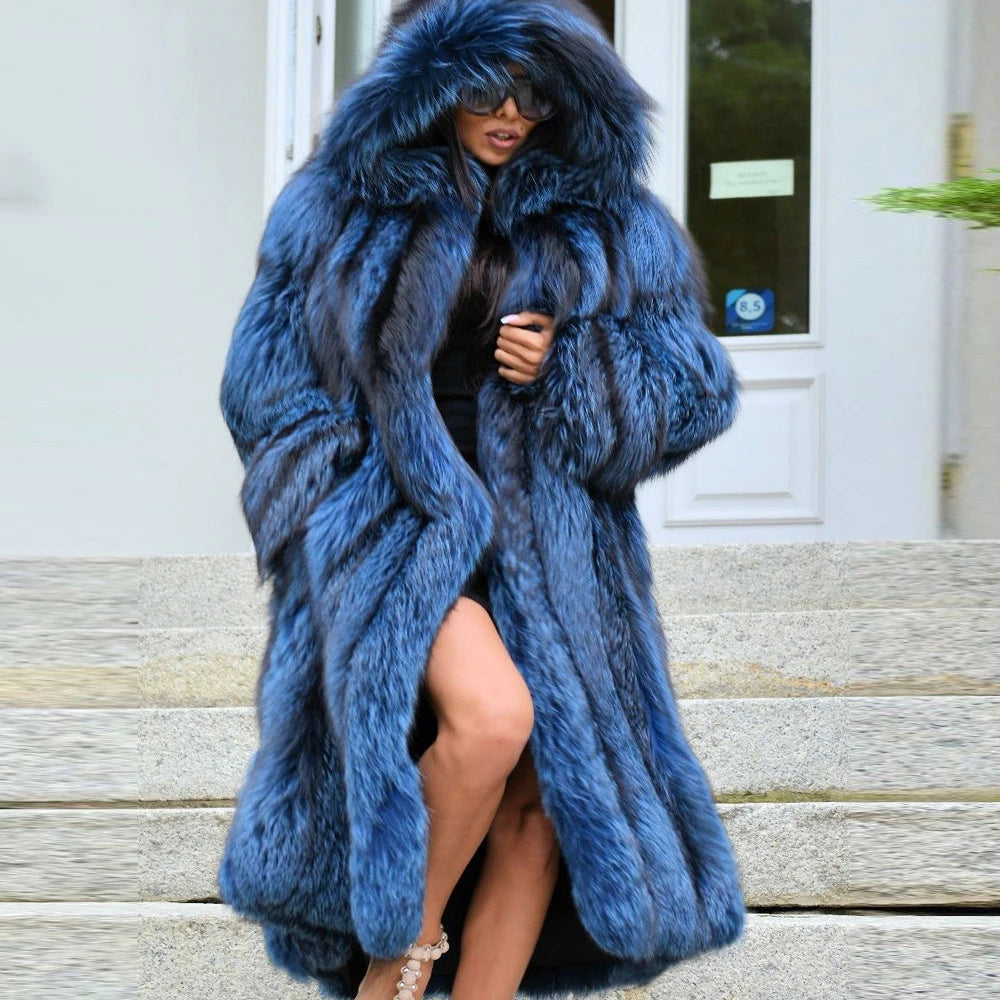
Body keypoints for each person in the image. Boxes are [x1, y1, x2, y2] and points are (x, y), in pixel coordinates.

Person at [216, 2, 747, 1000]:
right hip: (398, 523)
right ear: (429, 84)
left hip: (554, 548)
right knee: (492, 719)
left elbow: (694, 390)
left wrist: (575, 364)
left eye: (536, 93)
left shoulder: (614, 217)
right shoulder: (337, 206)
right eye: (483, 88)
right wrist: (336, 516)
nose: (510, 111)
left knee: (544, 805)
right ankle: (396, 964)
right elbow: (265, 390)